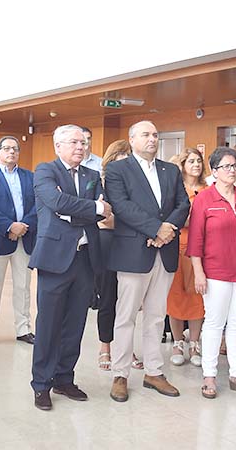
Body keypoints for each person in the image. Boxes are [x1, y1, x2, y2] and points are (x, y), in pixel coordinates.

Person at [106, 120, 190, 403]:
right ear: (132, 139)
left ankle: (154, 371)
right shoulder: (118, 170)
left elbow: (183, 204)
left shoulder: (170, 170)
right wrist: (156, 229)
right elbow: (121, 206)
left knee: (155, 316)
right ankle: (120, 374)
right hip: (133, 253)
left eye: (155, 134)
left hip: (164, 252)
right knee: (126, 316)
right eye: (145, 134)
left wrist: (166, 230)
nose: (152, 139)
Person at [29, 125, 109, 411]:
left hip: (85, 259)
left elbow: (102, 210)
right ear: (58, 146)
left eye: (83, 142)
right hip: (54, 259)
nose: (80, 147)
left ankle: (64, 379)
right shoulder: (45, 171)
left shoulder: (91, 175)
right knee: (48, 325)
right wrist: (90, 208)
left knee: (75, 324)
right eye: (74, 142)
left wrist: (73, 211)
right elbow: (55, 201)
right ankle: (41, 384)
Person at [188, 146, 236, 399]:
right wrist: (199, 272)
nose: (233, 170)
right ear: (214, 171)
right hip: (215, 272)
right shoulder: (204, 199)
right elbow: (195, 240)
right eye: (227, 166)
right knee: (214, 323)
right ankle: (209, 376)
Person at [0, 136, 36, 348]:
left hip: (24, 239)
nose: (11, 152)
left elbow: (37, 205)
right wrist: (10, 227)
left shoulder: (30, 177)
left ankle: (23, 329)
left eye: (15, 149)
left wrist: (22, 226)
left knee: (23, 287)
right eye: (7, 148)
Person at [95, 140, 143, 372]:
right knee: (108, 297)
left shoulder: (137, 185)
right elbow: (104, 220)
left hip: (130, 245)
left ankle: (126, 348)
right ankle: (105, 346)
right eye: (121, 157)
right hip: (107, 244)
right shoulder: (101, 184)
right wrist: (131, 221)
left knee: (128, 302)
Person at [165, 148, 207, 367]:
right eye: (191, 161)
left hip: (202, 250)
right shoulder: (175, 189)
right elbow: (174, 217)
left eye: (198, 161)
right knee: (176, 296)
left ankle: (194, 343)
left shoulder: (208, 189)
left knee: (197, 297)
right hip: (177, 247)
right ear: (182, 165)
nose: (196, 165)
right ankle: (177, 342)